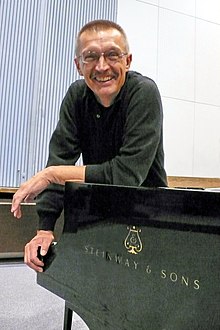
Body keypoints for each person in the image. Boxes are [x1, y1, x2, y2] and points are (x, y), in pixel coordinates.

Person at [11, 19, 167, 272]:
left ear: (127, 61)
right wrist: (45, 228)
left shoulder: (144, 94)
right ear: (78, 66)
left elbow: (126, 175)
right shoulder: (76, 97)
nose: (102, 66)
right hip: (99, 215)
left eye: (113, 55)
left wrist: (52, 175)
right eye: (91, 57)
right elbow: (60, 159)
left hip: (147, 217)